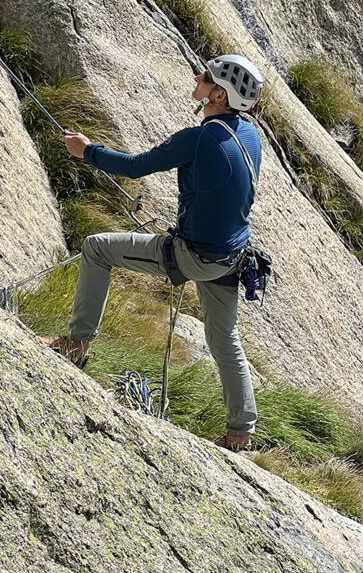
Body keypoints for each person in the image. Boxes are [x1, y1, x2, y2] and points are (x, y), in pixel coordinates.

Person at [44, 54, 265, 451]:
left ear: (218, 95)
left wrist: (87, 151)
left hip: (194, 255)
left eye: (206, 77)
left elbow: (136, 167)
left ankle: (77, 343)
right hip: (231, 256)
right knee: (224, 338)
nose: (197, 77)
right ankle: (241, 433)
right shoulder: (249, 135)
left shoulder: (198, 139)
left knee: (97, 248)